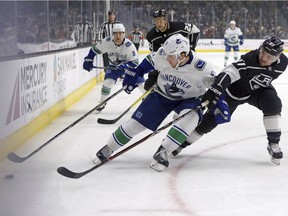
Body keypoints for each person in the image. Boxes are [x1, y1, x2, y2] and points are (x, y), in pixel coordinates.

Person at [92, 34, 230, 171]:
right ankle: (109, 147)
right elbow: (146, 64)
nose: (166, 58)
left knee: (190, 118)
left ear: (182, 55)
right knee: (135, 124)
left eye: (171, 56)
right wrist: (135, 73)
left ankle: (164, 151)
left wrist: (221, 104)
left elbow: (216, 88)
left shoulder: (202, 67)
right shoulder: (164, 53)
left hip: (190, 99)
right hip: (162, 94)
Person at [172, 36, 288, 166]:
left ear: (278, 57)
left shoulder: (283, 63)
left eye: (269, 57)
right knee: (209, 122)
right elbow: (228, 72)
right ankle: (180, 144)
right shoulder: (249, 60)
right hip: (233, 94)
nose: (263, 58)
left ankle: (273, 143)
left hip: (258, 90)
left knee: (273, 103)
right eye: (263, 52)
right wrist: (217, 89)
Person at [83, 23, 145, 111]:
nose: (118, 36)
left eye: (120, 33)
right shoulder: (107, 42)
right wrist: (89, 59)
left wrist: (126, 66)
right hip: (114, 67)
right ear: (113, 34)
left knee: (143, 85)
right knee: (107, 83)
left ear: (124, 34)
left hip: (129, 68)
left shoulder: (129, 46)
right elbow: (94, 50)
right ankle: (102, 103)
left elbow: (135, 63)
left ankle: (147, 98)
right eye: (116, 33)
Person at [144, 8, 200, 91]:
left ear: (166, 19)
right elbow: (155, 56)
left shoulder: (179, 27)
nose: (159, 23)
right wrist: (155, 74)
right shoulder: (151, 36)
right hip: (169, 62)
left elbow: (195, 30)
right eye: (156, 21)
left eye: (161, 20)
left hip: (183, 60)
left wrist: (191, 48)